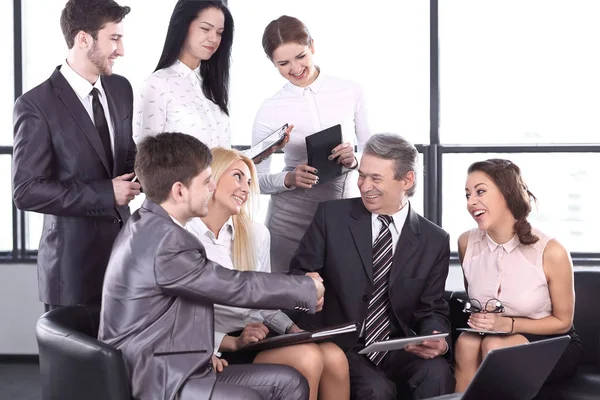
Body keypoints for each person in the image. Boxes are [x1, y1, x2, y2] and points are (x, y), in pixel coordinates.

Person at [99, 132, 326, 400]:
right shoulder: (165, 241)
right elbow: (234, 285)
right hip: (156, 375)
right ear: (179, 191)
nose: (212, 188)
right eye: (207, 182)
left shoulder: (147, 223)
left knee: (290, 383)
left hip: (173, 361)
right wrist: (306, 287)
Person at [289, 133, 454, 400]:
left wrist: (435, 336)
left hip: (397, 346)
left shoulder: (435, 239)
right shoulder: (331, 217)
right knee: (376, 391)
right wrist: (306, 289)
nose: (365, 186)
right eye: (362, 175)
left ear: (407, 180)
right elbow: (296, 277)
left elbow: (432, 307)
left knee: (436, 373)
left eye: (376, 178)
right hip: (343, 346)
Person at [186, 147, 350, 400]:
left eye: (249, 182)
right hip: (215, 346)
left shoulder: (256, 233)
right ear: (212, 177)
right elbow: (174, 317)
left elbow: (264, 303)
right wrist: (225, 342)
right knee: (308, 357)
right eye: (238, 177)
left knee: (334, 357)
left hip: (254, 337)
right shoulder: (184, 236)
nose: (245, 188)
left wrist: (291, 329)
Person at [12, 0, 139, 311]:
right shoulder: (35, 105)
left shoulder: (121, 89)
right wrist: (105, 193)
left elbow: (125, 158)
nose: (121, 50)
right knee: (77, 360)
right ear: (84, 39)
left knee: (125, 359)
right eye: (114, 39)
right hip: (71, 273)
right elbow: (26, 192)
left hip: (125, 262)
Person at [253, 15, 372, 273]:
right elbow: (255, 181)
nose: (295, 68)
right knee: (286, 304)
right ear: (272, 64)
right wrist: (289, 179)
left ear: (313, 47)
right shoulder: (269, 109)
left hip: (342, 215)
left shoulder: (350, 90)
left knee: (340, 301)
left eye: (301, 56)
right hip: (288, 220)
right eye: (283, 63)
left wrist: (353, 161)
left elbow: (375, 156)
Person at [454, 158, 583, 392]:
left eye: (480, 192)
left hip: (552, 340)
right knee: (467, 343)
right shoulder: (466, 243)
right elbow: (476, 303)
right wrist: (482, 320)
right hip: (494, 333)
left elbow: (563, 323)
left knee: (496, 348)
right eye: (467, 195)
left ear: (507, 193)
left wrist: (508, 324)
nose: (471, 202)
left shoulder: (551, 252)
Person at [133, 0, 233, 147]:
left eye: (219, 33)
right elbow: (145, 159)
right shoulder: (157, 84)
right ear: (184, 26)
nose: (214, 39)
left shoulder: (212, 86)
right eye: (205, 29)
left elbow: (222, 153)